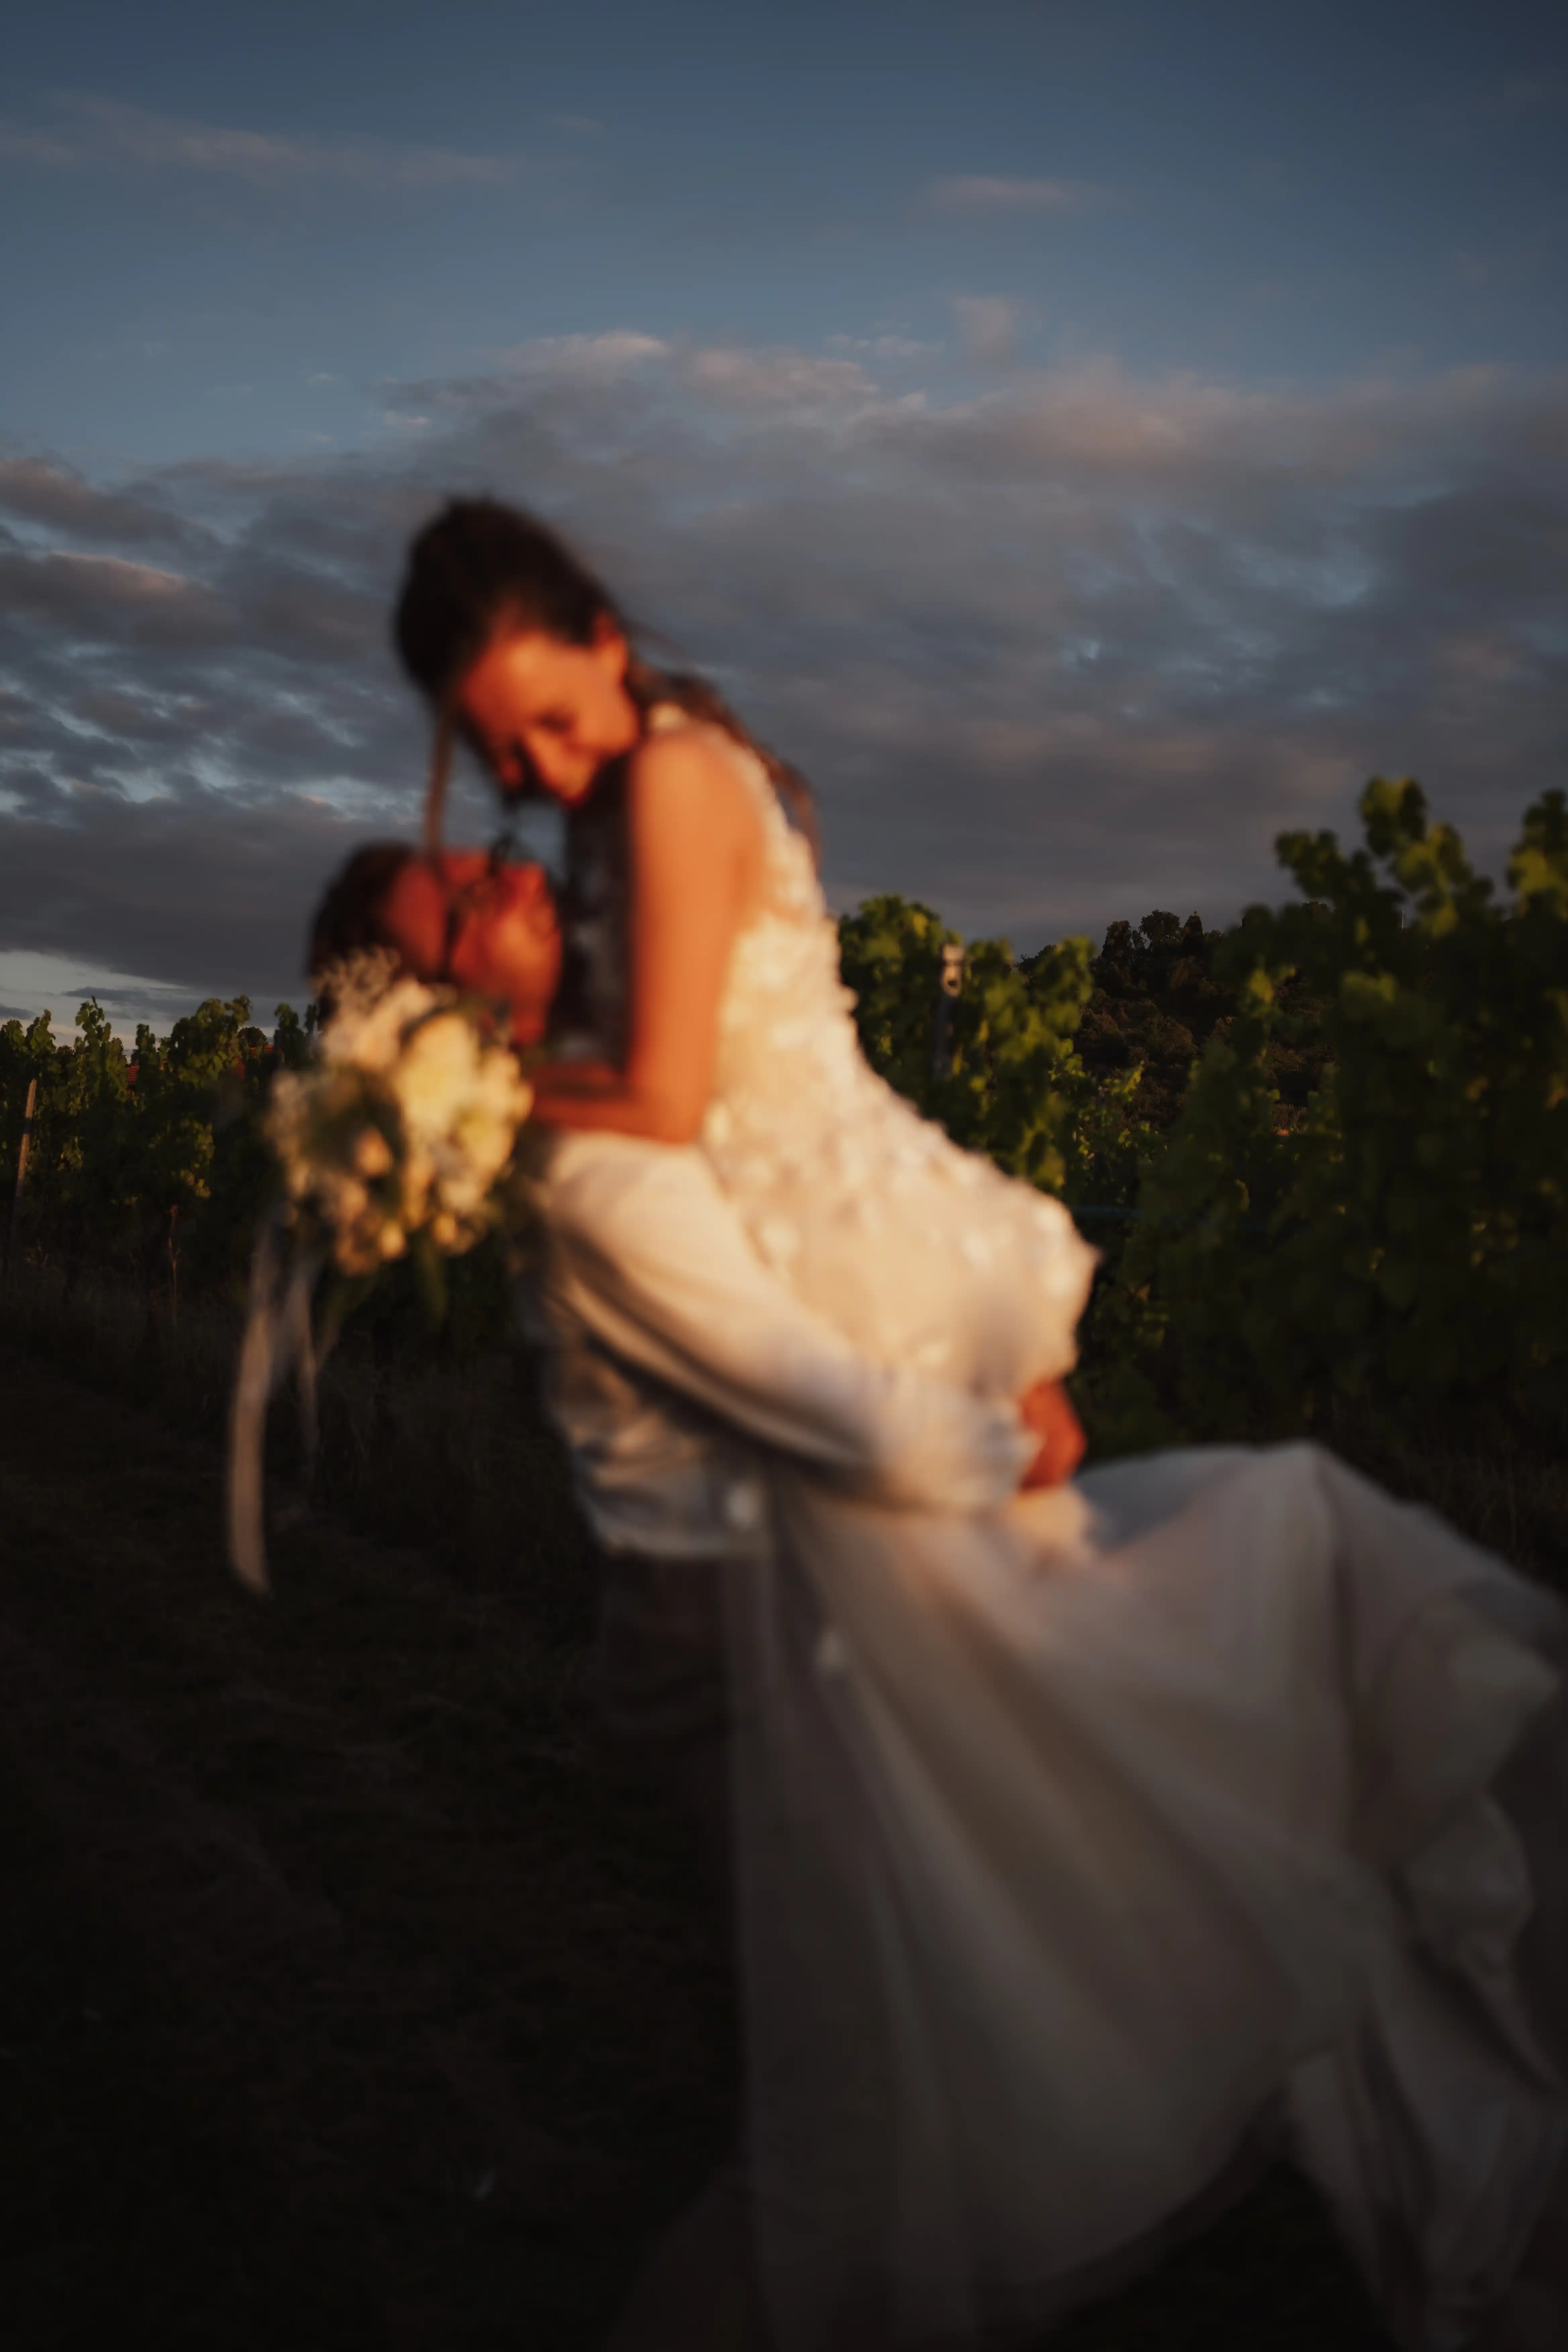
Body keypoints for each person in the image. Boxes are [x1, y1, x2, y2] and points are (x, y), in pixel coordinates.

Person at [376, 497, 1568, 2351]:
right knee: (1015, 1826)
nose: (532, 770)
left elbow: (671, 1094)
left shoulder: (671, 783)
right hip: (846, 1337)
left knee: (1053, 1814)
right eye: (493, 747)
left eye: (545, 717)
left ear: (606, 638)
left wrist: (444, 1106)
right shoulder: (629, 805)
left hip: (867, 1320)